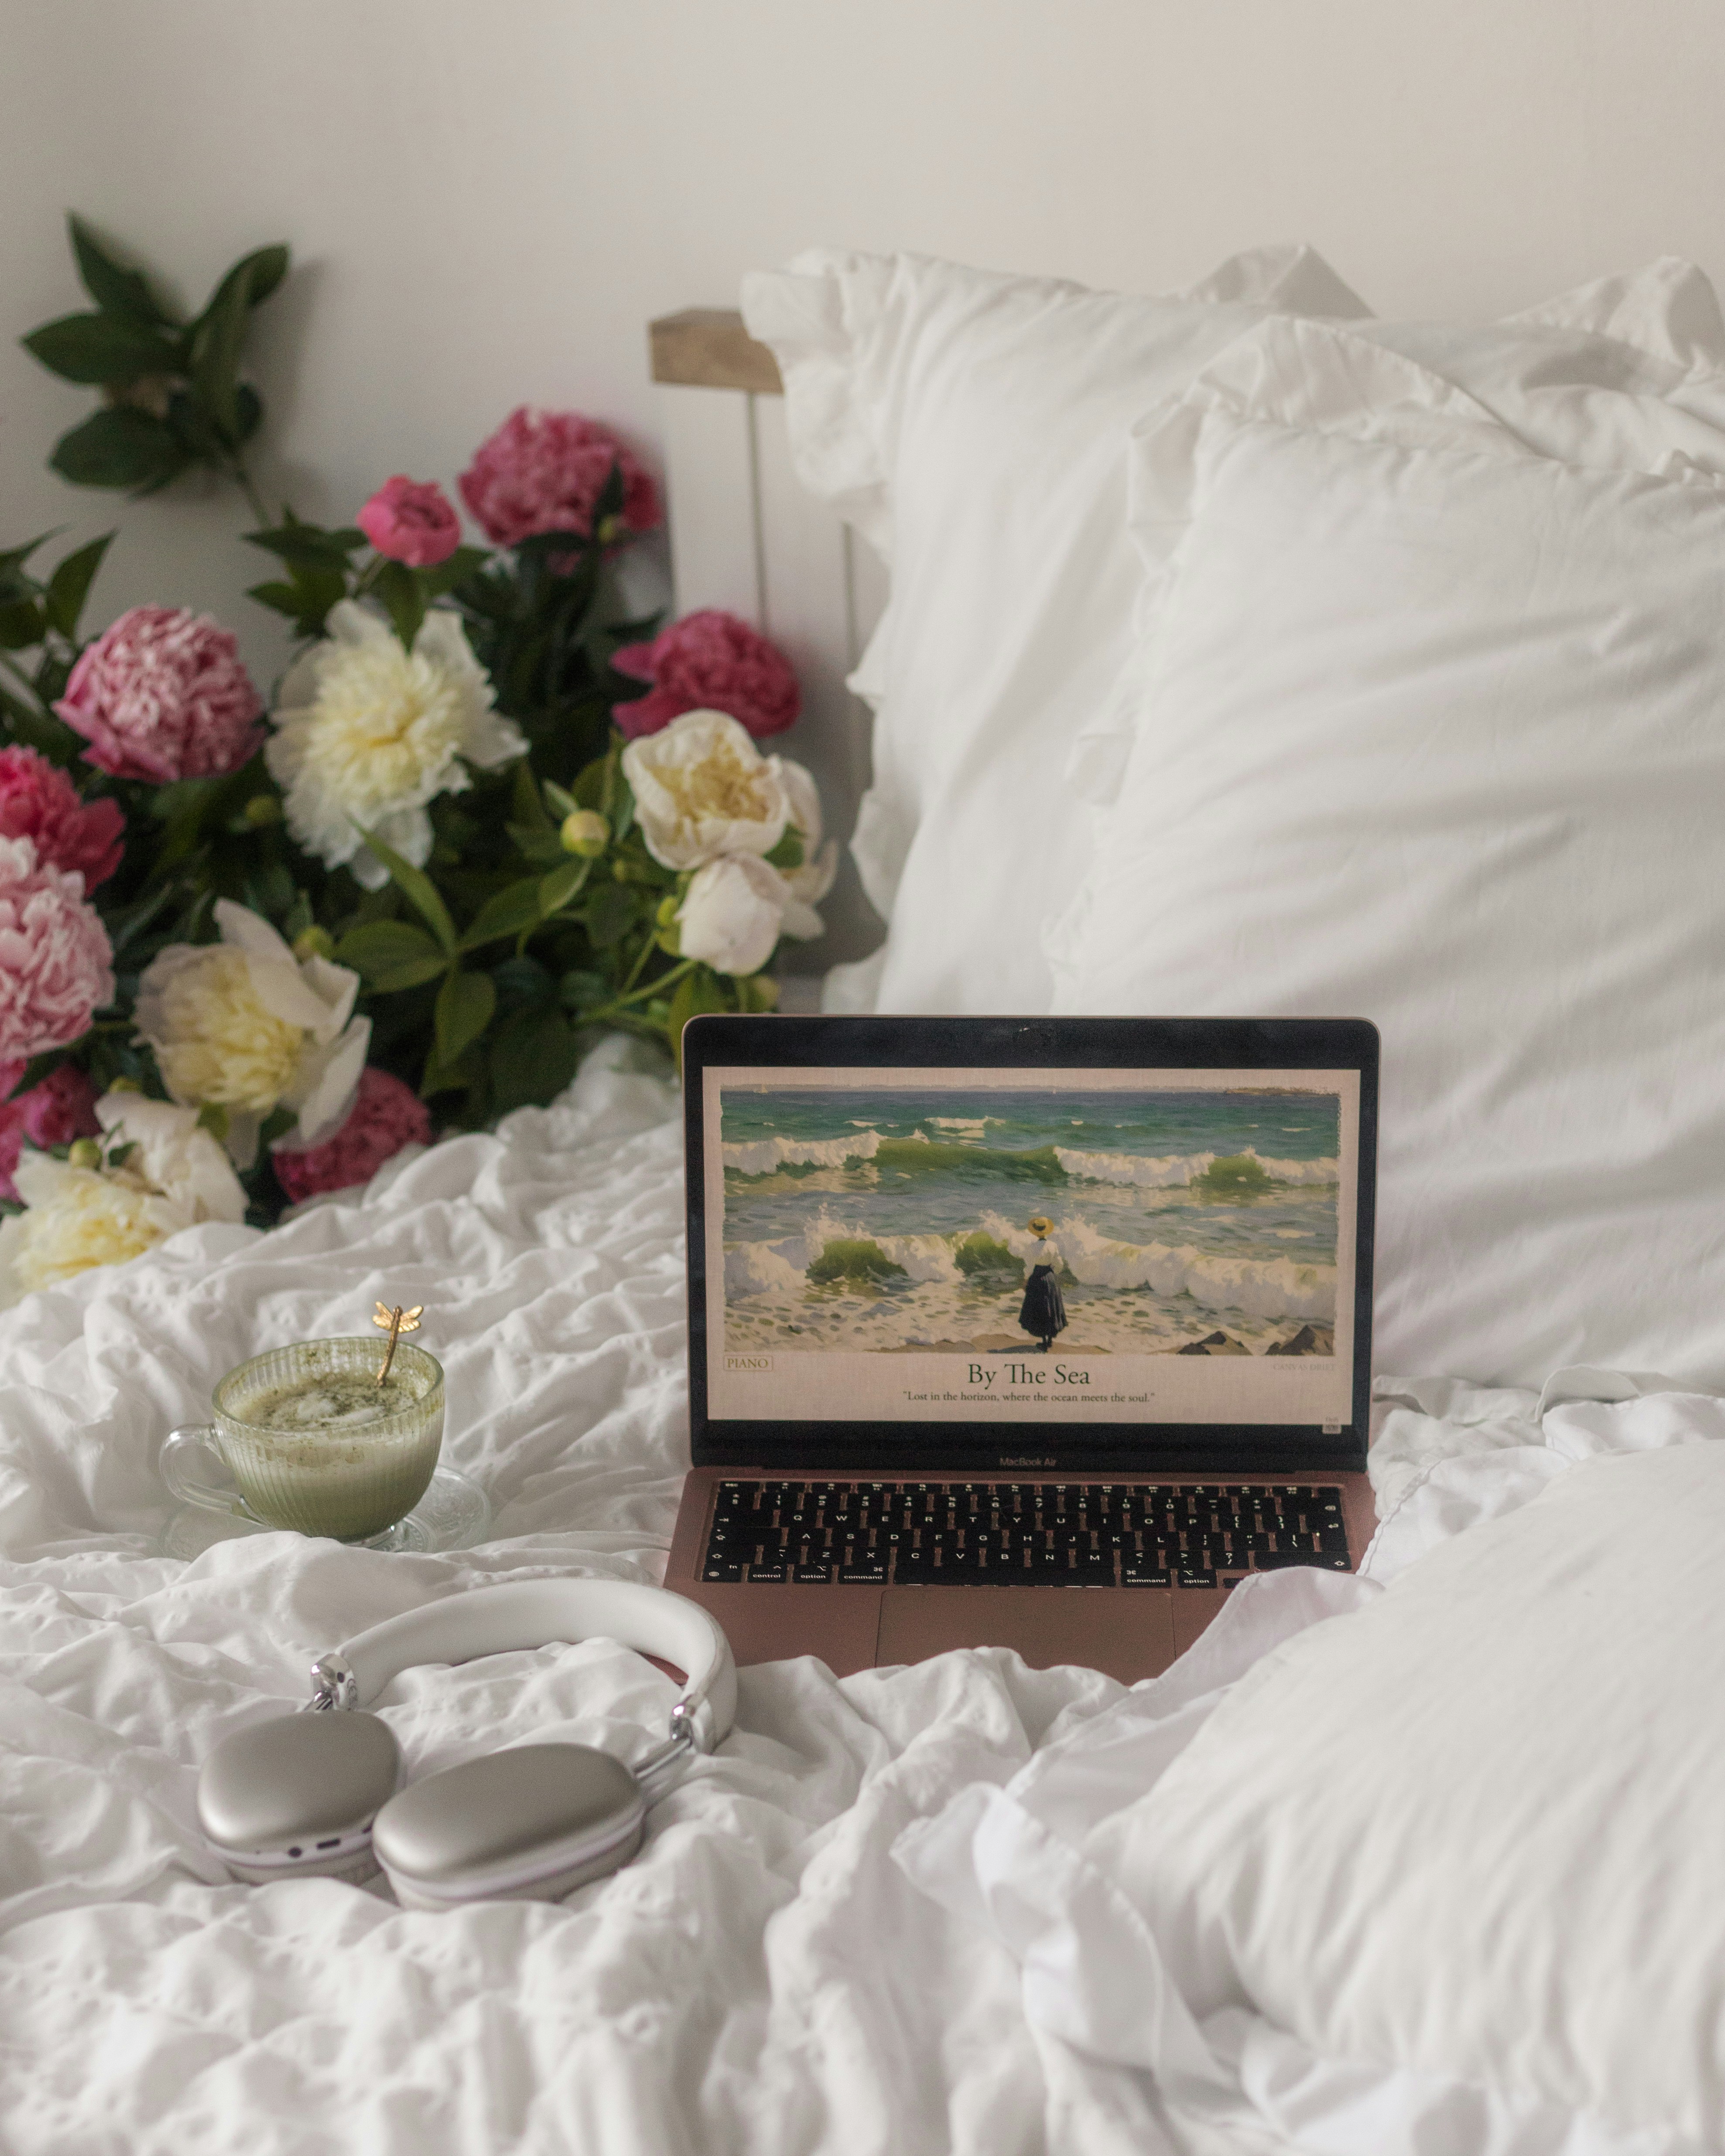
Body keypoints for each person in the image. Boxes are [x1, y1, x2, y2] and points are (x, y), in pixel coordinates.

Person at [1017, 1215, 1067, 1352]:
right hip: (1050, 1278)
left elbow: (1029, 1267)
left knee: (1040, 1310)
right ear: (1047, 1231)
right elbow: (1059, 1265)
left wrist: (1026, 1280)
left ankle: (1044, 1342)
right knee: (1051, 1308)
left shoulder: (1032, 1247)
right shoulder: (1053, 1245)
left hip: (1037, 1278)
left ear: (1035, 1231)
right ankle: (1050, 1341)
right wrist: (1052, 1273)